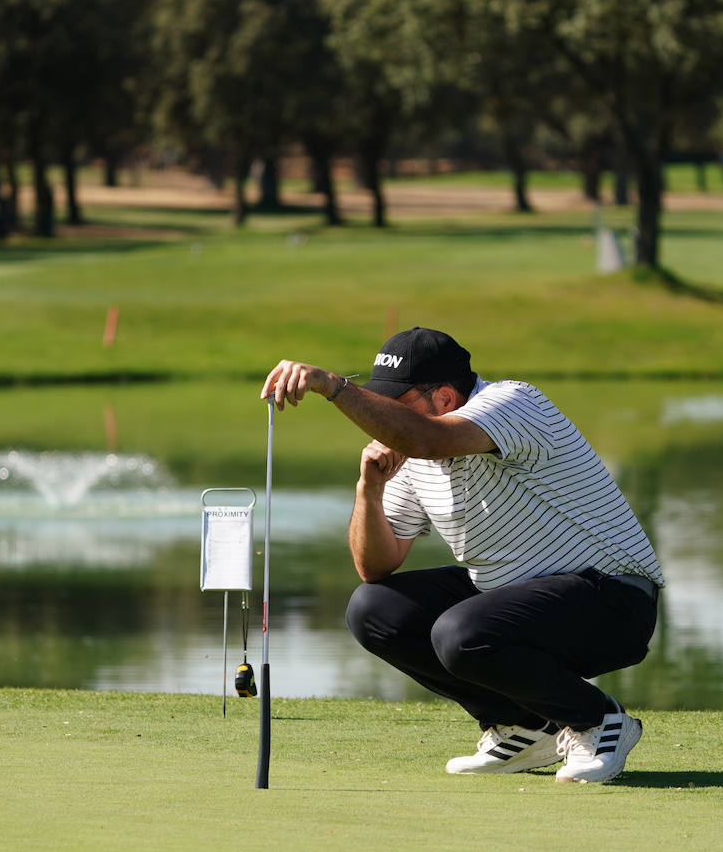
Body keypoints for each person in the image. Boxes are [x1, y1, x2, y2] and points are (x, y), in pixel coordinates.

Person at [261, 327, 664, 783]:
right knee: (374, 609)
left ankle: (598, 719)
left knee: (461, 632)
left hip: (613, 601)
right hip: (515, 604)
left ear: (446, 398)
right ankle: (525, 726)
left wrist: (333, 386)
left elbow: (426, 438)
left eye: (396, 404)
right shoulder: (412, 452)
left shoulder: (513, 403)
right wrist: (369, 489)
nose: (382, 418)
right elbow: (375, 565)